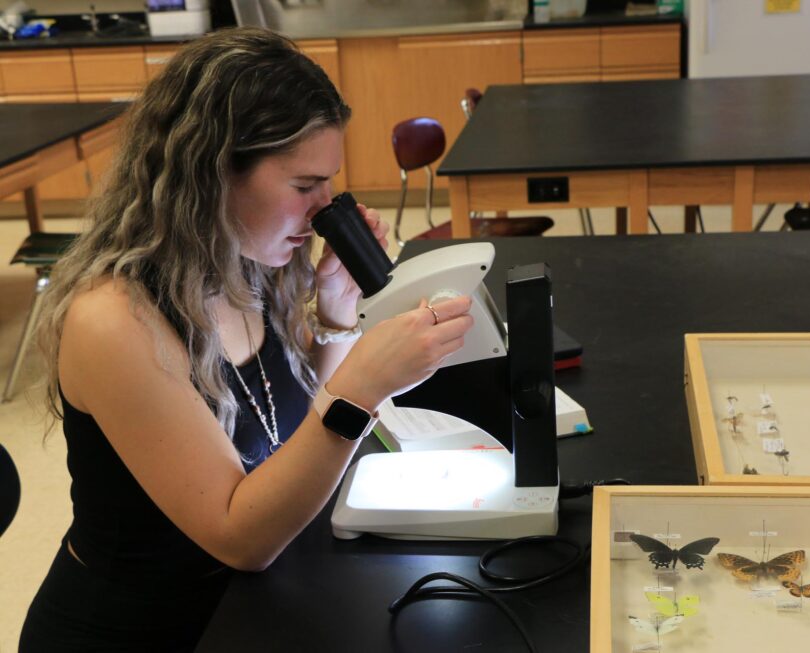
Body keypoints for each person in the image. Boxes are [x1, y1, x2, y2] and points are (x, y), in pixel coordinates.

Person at [19, 26, 473, 652]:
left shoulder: (245, 265)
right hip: (143, 631)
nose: (326, 206)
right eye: (303, 185)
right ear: (211, 174)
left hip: (241, 609)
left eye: (329, 181)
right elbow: (241, 535)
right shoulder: (115, 320)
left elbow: (288, 435)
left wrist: (339, 319)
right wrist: (362, 387)